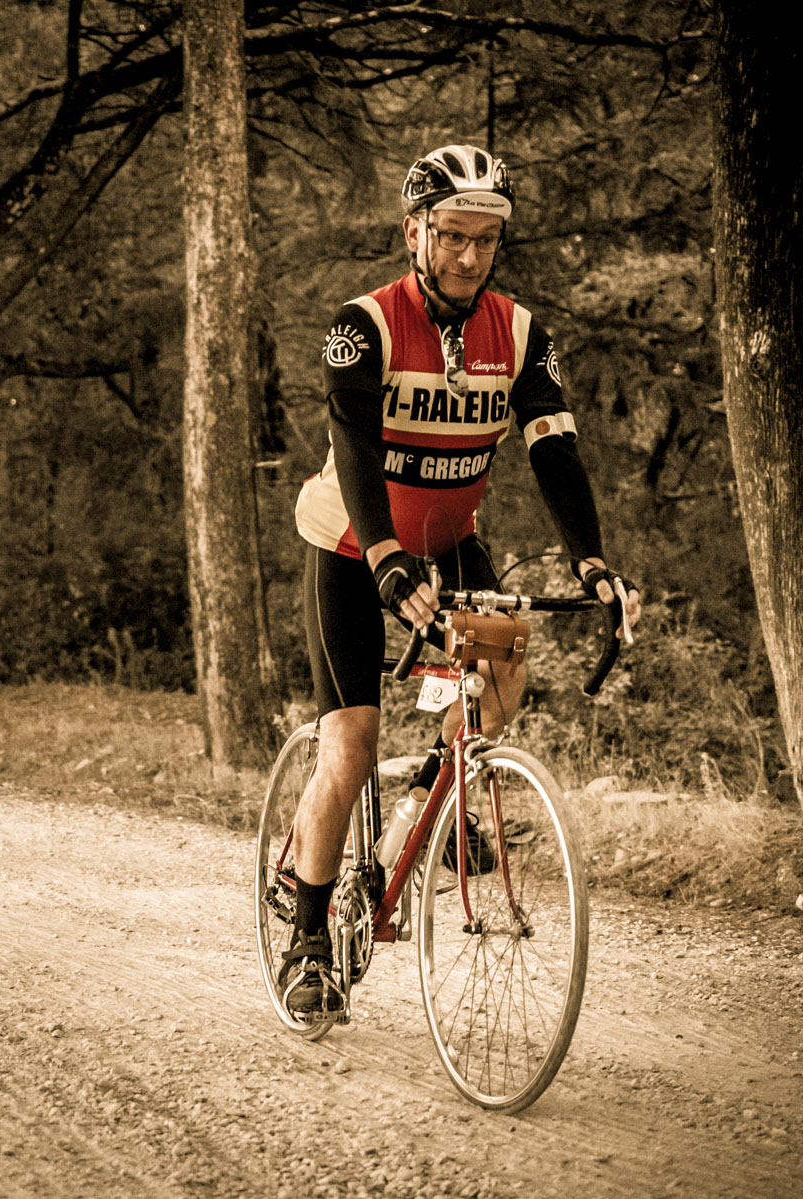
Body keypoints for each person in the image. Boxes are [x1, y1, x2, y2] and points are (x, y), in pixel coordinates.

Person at [280, 144, 642, 1016]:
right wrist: (383, 557)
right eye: (452, 237)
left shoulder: (519, 335)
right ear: (416, 232)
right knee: (352, 743)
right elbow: (358, 451)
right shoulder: (361, 325)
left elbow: (554, 449)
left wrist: (592, 561)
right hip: (350, 546)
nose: (469, 257)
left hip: (449, 541)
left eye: (486, 241)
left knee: (502, 669)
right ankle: (308, 931)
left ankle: (425, 808)